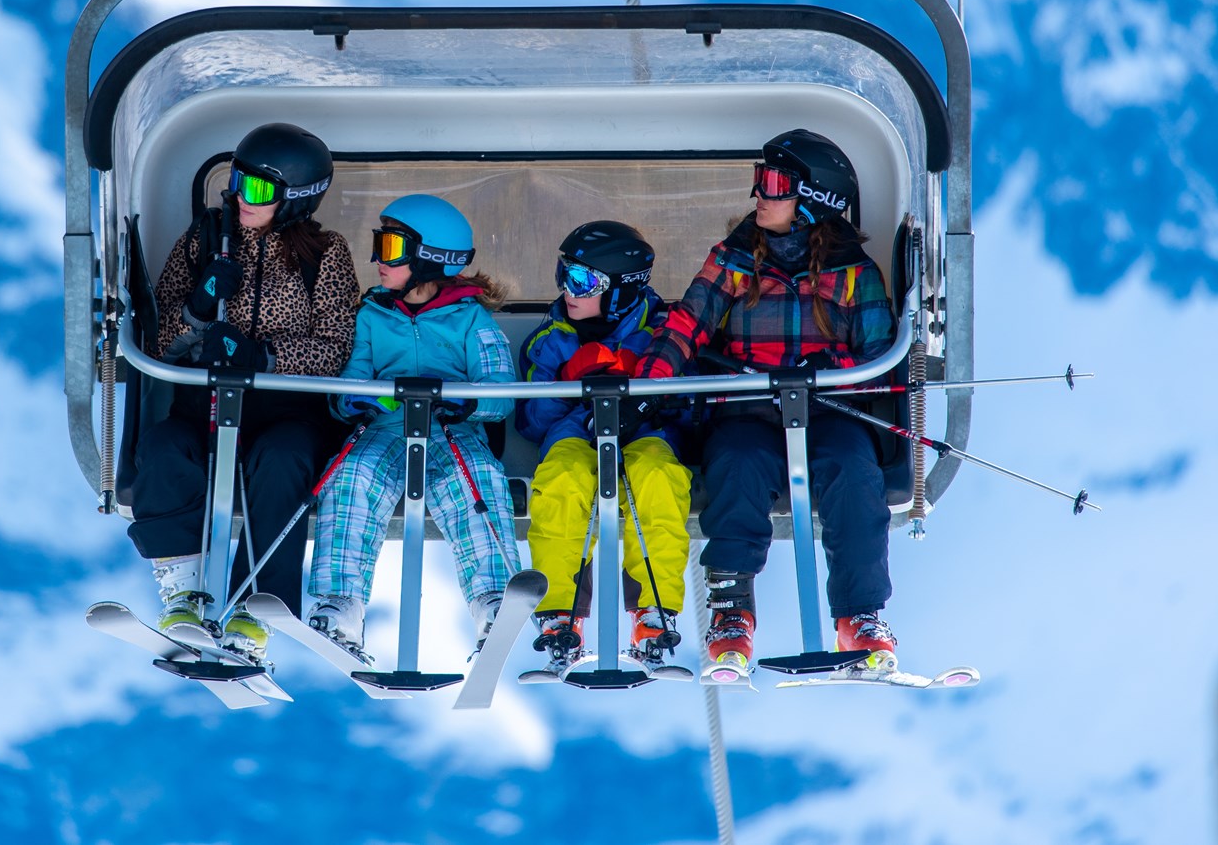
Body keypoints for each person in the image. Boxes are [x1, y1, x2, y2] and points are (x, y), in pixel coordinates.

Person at [634, 129, 900, 681]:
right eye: (760, 179)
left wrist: (823, 372)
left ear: (813, 200)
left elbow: (880, 358)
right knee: (737, 464)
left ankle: (859, 615)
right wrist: (649, 384)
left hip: (828, 410)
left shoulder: (855, 274)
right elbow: (687, 324)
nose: (758, 193)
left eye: (774, 183)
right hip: (749, 407)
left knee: (853, 471)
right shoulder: (733, 259)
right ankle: (731, 610)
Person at [128, 122, 360, 662]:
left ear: (296, 197)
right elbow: (158, 342)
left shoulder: (323, 254)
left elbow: (334, 348)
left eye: (257, 188)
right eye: (235, 180)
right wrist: (199, 308)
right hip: (206, 401)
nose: (240, 196)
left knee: (283, 460)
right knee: (163, 449)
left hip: (285, 409)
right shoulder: (204, 240)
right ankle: (183, 593)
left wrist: (263, 357)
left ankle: (255, 608)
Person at [304, 194, 520, 659]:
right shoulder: (373, 314)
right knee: (352, 477)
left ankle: (493, 599)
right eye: (379, 245)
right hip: (384, 431)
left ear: (429, 258)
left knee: (477, 479)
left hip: (449, 433)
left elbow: (502, 390)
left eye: (391, 248)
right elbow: (348, 384)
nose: (378, 260)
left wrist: (466, 402)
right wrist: (354, 399)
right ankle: (340, 604)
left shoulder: (471, 318)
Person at [517, 221, 692, 674]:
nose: (566, 289)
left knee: (657, 478)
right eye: (564, 274)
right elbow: (532, 421)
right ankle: (560, 613)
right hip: (574, 436)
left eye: (581, 280)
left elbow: (691, 410)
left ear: (619, 289)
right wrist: (573, 385)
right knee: (562, 479)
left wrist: (642, 393)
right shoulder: (551, 339)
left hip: (646, 435)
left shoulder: (664, 335)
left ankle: (653, 613)